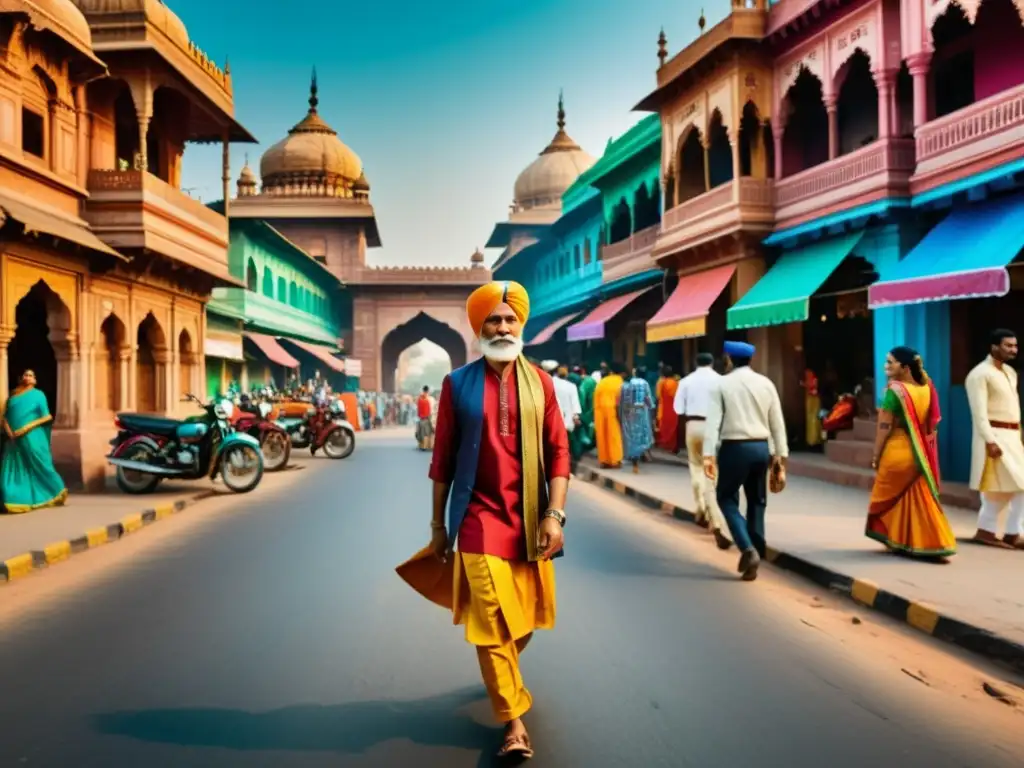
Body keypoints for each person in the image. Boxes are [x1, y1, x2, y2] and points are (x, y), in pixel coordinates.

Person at [397, 280, 570, 760]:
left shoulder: (543, 384)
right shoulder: (458, 384)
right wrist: (437, 529)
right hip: (476, 519)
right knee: (492, 619)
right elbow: (443, 461)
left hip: (530, 518)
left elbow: (559, 453)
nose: (502, 325)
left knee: (525, 621)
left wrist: (555, 515)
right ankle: (514, 720)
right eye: (493, 319)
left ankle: (503, 675)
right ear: (479, 327)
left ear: (521, 325)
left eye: (509, 318)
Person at [703, 341, 788, 581]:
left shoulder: (722, 384)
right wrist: (780, 456)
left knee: (726, 497)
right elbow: (777, 423)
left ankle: (747, 548)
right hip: (761, 447)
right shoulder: (766, 383)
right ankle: (757, 545)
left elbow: (713, 423)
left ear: (729, 359)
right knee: (757, 499)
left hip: (734, 447)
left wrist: (708, 455)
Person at [866, 347, 956, 560]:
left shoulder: (894, 391)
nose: (886, 366)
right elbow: (931, 422)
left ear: (905, 367)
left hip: (897, 449)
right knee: (915, 497)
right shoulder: (927, 387)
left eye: (891, 362)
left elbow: (884, 427)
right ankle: (923, 542)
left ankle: (911, 542)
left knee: (887, 498)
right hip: (920, 453)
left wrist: (876, 455)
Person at [965, 329, 1024, 549]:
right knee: (1000, 486)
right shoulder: (979, 374)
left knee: (1013, 486)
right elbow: (979, 413)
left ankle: (1009, 532)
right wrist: (990, 440)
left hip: (1013, 436)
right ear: (994, 347)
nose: (1013, 350)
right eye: (1008, 345)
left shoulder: (1010, 372)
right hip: (994, 437)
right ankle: (990, 530)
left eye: (1015, 345)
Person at [674, 353, 731, 550]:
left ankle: (700, 507)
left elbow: (678, 409)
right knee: (711, 471)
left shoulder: (686, 381)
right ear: (713, 363)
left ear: (695, 363)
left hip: (693, 425)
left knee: (695, 466)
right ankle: (714, 517)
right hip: (713, 427)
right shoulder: (721, 381)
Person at [1, 370, 68, 513]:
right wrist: (9, 431)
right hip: (13, 439)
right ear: (21, 378)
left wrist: (25, 428)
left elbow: (46, 416)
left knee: (39, 466)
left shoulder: (38, 395)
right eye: (25, 375)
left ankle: (54, 491)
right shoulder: (13, 396)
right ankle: (15, 499)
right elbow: (5, 417)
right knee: (14, 469)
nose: (28, 377)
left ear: (35, 380)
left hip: (32, 436)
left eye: (31, 375)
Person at [543, 362, 582, 466]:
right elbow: (575, 403)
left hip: (551, 419)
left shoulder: (549, 382)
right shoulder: (571, 386)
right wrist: (576, 416)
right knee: (564, 445)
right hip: (567, 421)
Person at [620, 365, 655, 473]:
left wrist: (623, 413)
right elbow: (648, 398)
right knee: (643, 433)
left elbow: (623, 399)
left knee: (631, 433)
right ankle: (641, 454)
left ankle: (632, 455)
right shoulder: (645, 383)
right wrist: (651, 408)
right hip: (641, 411)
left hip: (629, 411)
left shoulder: (627, 384)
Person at [593, 362, 624, 468]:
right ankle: (615, 460)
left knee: (602, 435)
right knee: (614, 435)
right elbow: (620, 400)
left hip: (599, 411)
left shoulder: (602, 381)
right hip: (612, 410)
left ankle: (604, 460)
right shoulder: (619, 381)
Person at [568, 366, 596, 461]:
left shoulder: (579, 385)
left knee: (577, 435)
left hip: (581, 414)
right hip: (588, 413)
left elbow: (582, 401)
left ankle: (576, 455)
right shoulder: (589, 381)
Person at [656, 365, 681, 452]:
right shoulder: (676, 382)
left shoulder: (661, 382)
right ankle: (672, 445)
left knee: (664, 425)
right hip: (674, 407)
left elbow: (658, 395)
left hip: (663, 406)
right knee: (673, 426)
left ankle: (664, 443)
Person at [801, 367, 823, 448]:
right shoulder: (811, 380)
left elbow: (813, 390)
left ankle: (813, 440)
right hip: (811, 401)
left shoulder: (813, 381)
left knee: (813, 420)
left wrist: (804, 385)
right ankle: (813, 439)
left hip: (813, 401)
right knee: (812, 420)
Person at [415, 385, 435, 450]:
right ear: (428, 391)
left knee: (421, 432)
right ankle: (427, 446)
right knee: (428, 432)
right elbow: (431, 409)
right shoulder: (430, 399)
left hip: (421, 418)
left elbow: (418, 409)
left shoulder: (420, 399)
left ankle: (422, 445)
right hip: (428, 417)